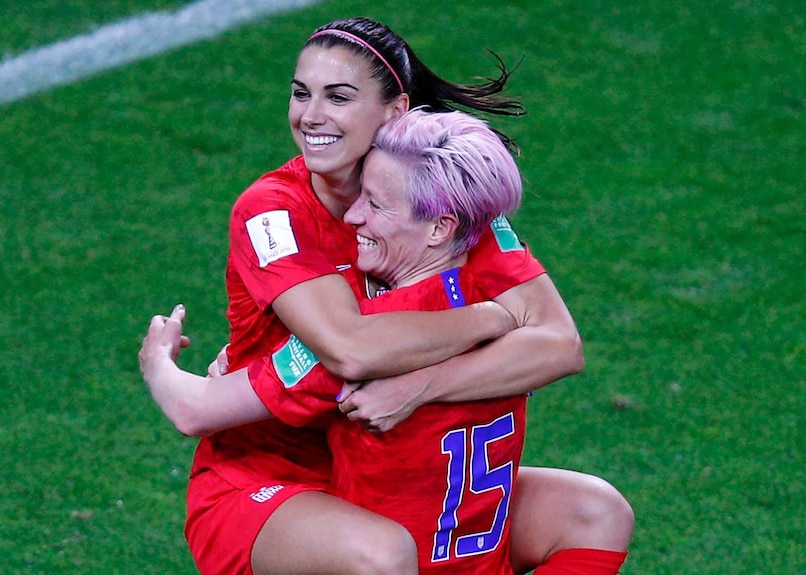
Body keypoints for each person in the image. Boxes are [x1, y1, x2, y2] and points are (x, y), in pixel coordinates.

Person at [140, 16, 632, 575]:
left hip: (397, 472)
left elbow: (560, 345)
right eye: (301, 93)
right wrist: (489, 319)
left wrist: (418, 385)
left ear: (394, 110)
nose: (311, 116)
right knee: (380, 553)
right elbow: (349, 350)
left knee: (594, 513)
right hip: (272, 480)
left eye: (339, 97)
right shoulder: (275, 212)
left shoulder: (447, 206)